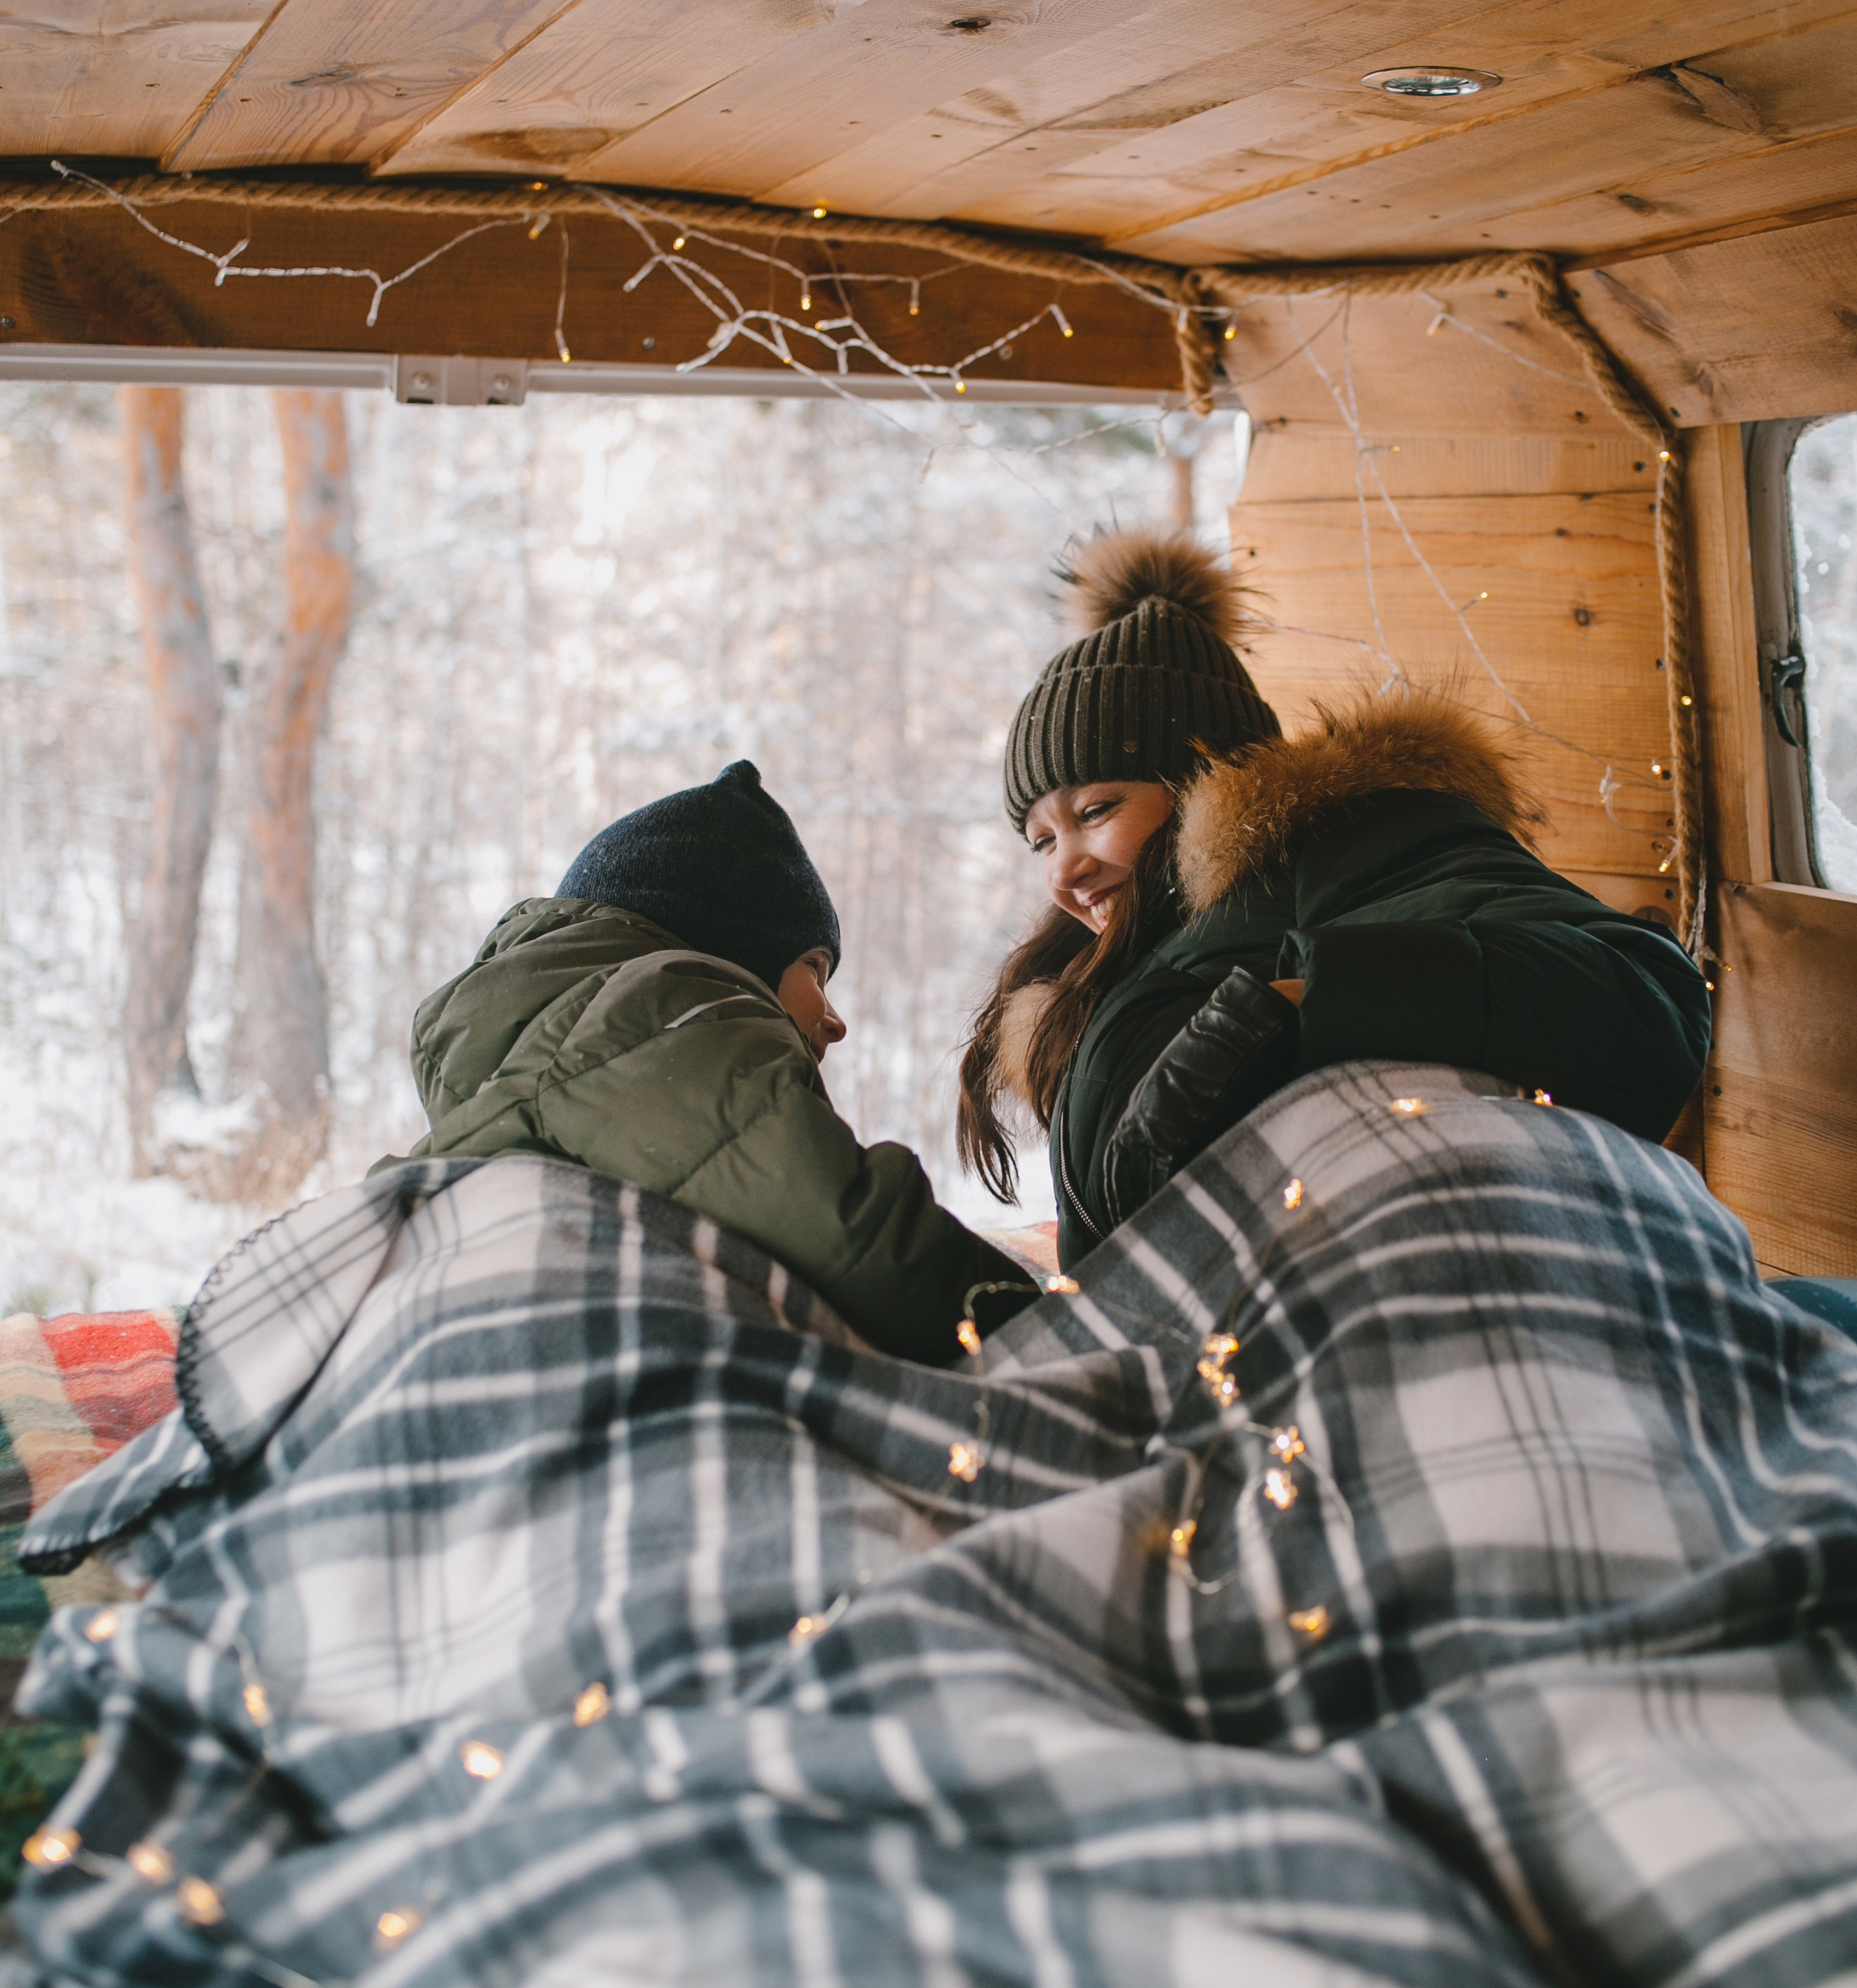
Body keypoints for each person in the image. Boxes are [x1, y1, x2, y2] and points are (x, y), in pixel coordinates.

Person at [958, 529, 1712, 1271]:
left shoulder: (1362, 838)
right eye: (1041, 841)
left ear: (1203, 779)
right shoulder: (1104, 971)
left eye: (1095, 812)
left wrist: (1300, 1000)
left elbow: (1646, 999)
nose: (1066, 871)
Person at [384, 760, 1034, 1364]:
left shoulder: (536, 1068)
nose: (835, 1021)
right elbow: (866, 1244)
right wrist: (1039, 1322)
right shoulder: (664, 1017)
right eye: (814, 969)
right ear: (729, 952)